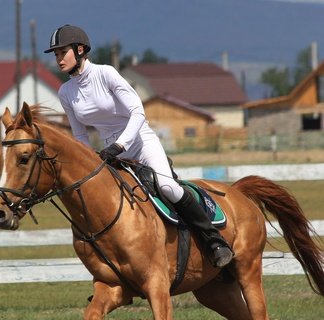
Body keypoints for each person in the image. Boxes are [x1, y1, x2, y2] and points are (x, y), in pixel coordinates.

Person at [44, 24, 233, 268]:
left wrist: (121, 144)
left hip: (140, 142)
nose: (58, 59)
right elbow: (80, 135)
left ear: (80, 50)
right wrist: (87, 160)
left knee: (168, 187)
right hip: (110, 154)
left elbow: (137, 111)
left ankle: (214, 241)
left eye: (62, 52)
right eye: (56, 55)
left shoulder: (106, 74)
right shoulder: (65, 92)